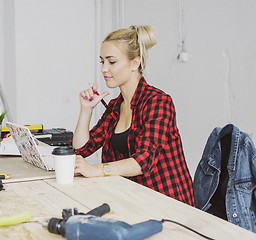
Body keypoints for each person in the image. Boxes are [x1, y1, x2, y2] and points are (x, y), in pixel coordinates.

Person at [72, 25, 195, 206]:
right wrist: (86, 110)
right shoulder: (115, 106)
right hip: (131, 199)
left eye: (111, 62)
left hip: (168, 204)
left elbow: (143, 161)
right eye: (102, 62)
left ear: (135, 63)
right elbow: (82, 149)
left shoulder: (159, 102)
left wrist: (96, 169)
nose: (104, 69)